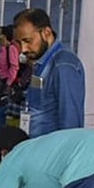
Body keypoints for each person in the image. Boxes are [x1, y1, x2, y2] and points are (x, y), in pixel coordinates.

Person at [13, 8, 85, 137]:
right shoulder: (41, 63)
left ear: (46, 32)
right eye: (19, 43)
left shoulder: (63, 65)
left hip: (51, 150)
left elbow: (71, 122)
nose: (23, 49)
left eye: (28, 41)